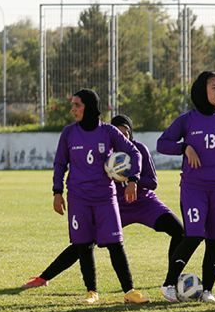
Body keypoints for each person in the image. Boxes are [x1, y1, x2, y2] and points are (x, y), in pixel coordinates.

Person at [22, 114, 184, 296]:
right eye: (119, 135)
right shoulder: (103, 154)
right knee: (84, 242)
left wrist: (129, 178)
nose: (123, 138)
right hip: (115, 205)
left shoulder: (138, 150)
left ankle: (172, 278)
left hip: (144, 202)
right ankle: (44, 278)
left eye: (126, 134)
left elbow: (152, 182)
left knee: (179, 231)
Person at [157, 71, 215, 303]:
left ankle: (207, 291)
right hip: (193, 188)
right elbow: (162, 143)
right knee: (194, 234)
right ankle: (169, 284)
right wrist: (184, 147)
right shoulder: (187, 120)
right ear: (202, 90)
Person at [47, 89, 148, 304]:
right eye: (72, 105)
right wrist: (57, 192)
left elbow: (134, 153)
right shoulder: (68, 133)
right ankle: (91, 292)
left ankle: (129, 291)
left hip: (105, 197)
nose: (73, 109)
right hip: (78, 197)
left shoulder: (109, 132)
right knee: (83, 244)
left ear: (90, 107)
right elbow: (59, 164)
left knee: (115, 243)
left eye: (77, 105)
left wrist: (133, 180)